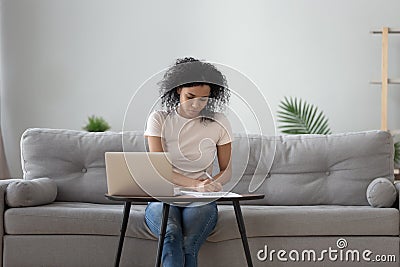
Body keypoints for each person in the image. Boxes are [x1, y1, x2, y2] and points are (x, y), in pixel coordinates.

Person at [143, 57, 233, 267]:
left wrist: (214, 183)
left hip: (200, 199)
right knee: (171, 234)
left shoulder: (219, 122)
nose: (196, 104)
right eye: (190, 96)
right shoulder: (159, 119)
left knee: (189, 242)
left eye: (204, 99)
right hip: (162, 196)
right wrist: (195, 184)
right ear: (177, 91)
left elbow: (227, 170)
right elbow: (159, 169)